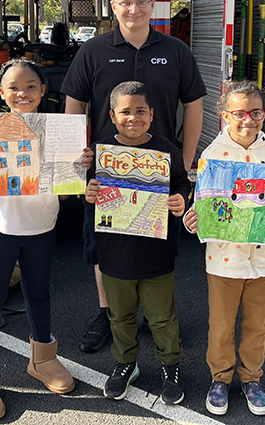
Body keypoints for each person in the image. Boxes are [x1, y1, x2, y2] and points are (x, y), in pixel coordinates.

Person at [62, 0, 206, 353]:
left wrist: (186, 162)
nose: (134, 8)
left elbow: (193, 106)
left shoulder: (176, 51)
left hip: (161, 171)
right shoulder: (92, 52)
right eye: (126, 1)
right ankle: (109, 312)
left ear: (154, 4)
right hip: (107, 171)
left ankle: (157, 315)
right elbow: (74, 106)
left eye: (142, 1)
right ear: (113, 6)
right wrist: (77, 157)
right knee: (104, 244)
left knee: (157, 241)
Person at [0, 57, 92, 423]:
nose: (22, 93)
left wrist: (82, 161)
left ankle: (43, 359)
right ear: (1, 92)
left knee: (39, 293)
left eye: (30, 87)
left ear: (43, 90)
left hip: (42, 224)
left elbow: (69, 178)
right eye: (13, 87)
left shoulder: (56, 129)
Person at [183, 80, 265, 417]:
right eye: (239, 113)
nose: (248, 120)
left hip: (264, 256)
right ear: (225, 115)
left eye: (256, 112)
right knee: (222, 324)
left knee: (258, 323)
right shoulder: (212, 156)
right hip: (224, 259)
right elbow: (203, 206)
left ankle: (251, 377)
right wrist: (192, 219)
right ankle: (220, 377)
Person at [84, 81, 191, 404]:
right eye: (125, 111)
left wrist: (180, 200)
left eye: (140, 111)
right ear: (113, 116)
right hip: (114, 252)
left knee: (162, 317)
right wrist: (87, 196)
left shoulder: (166, 150)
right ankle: (125, 363)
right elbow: (87, 195)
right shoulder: (101, 152)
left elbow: (182, 184)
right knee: (120, 315)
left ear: (152, 114)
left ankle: (170, 365)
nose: (134, 117)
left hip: (157, 252)